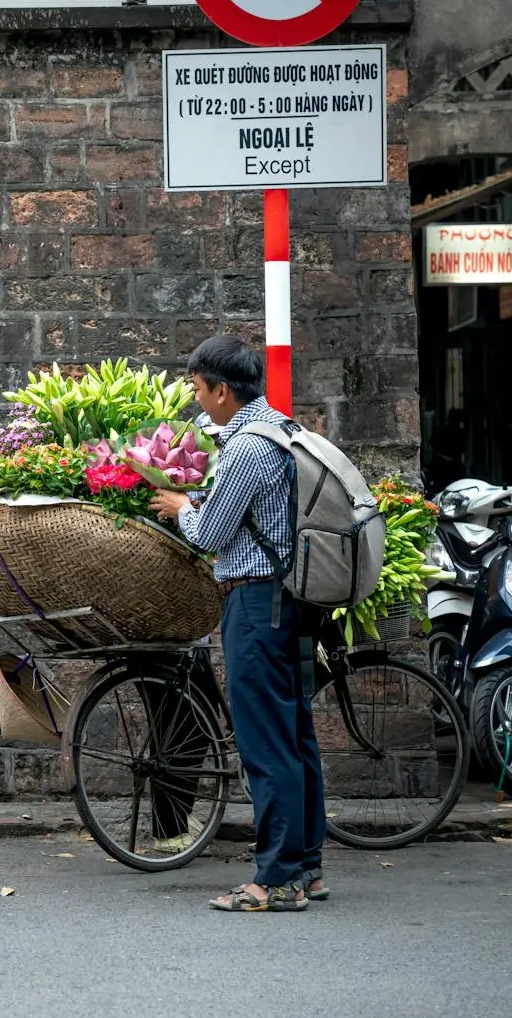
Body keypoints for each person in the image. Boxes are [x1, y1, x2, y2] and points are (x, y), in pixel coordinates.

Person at [149, 335, 328, 912]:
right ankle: (306, 869)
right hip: (293, 598)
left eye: (199, 390)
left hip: (257, 604)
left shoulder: (248, 447)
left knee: (265, 743)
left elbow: (212, 534)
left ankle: (275, 880)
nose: (198, 402)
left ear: (222, 390)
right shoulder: (283, 429)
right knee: (295, 737)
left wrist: (181, 509)